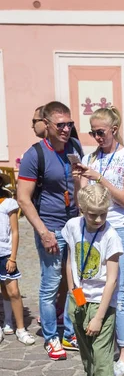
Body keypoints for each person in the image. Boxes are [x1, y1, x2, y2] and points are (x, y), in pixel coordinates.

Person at [72, 106, 124, 376]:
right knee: (91, 285)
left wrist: (97, 177)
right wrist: (78, 178)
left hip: (118, 229)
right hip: (91, 229)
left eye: (100, 132)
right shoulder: (91, 158)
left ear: (114, 129)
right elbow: (83, 202)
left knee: (117, 292)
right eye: (92, 132)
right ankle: (99, 338)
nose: (96, 137)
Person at [17, 101, 82, 360]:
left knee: (75, 281)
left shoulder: (75, 148)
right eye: (61, 125)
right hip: (51, 226)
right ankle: (51, 336)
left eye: (70, 124)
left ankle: (68, 332)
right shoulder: (35, 155)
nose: (66, 129)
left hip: (74, 226)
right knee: (51, 284)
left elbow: (80, 184)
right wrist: (44, 232)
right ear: (47, 125)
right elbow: (23, 198)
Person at [62, 185, 123, 376]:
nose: (98, 219)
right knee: (86, 355)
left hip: (101, 304)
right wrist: (75, 297)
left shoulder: (111, 236)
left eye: (103, 214)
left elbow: (112, 280)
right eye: (92, 215)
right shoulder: (73, 226)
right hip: (79, 300)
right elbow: (70, 263)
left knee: (101, 359)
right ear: (82, 210)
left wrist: (99, 316)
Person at [0, 173, 35, 345]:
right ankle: (4, 323)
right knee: (3, 292)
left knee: (13, 291)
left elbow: (15, 231)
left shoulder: (8, 204)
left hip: (5, 254)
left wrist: (12, 258)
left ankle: (20, 328)